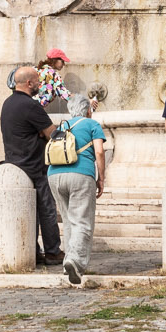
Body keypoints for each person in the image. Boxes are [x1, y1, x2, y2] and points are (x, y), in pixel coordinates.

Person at [0, 63, 64, 265]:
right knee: (47, 208)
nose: (40, 83)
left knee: (29, 212)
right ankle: (53, 251)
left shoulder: (7, 104)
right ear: (29, 83)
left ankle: (33, 250)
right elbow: (52, 133)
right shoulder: (31, 105)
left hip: (15, 163)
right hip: (35, 165)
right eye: (37, 80)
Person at [48, 87, 108, 284]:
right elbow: (99, 152)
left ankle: (68, 260)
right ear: (88, 111)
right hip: (81, 174)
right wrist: (101, 177)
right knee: (82, 221)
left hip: (55, 175)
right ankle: (75, 261)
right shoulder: (92, 124)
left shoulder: (63, 125)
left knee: (68, 220)